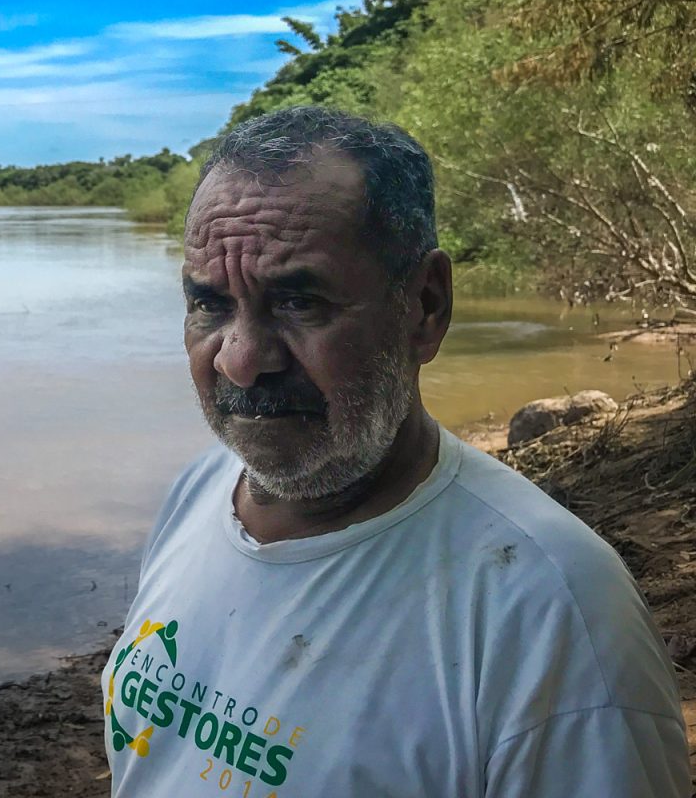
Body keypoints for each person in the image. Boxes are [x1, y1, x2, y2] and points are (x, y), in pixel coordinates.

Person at [104, 106, 688, 796]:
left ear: (426, 307)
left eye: (298, 303)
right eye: (210, 305)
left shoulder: (553, 612)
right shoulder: (200, 491)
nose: (240, 360)